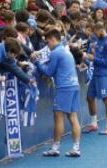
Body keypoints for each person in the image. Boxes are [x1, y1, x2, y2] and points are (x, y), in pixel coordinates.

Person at [33, 29, 81, 157]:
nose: (47, 45)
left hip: (64, 88)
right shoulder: (66, 51)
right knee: (73, 117)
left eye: (48, 42)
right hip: (74, 85)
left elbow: (48, 72)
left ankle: (55, 148)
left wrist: (37, 62)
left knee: (58, 117)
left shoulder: (55, 53)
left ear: (53, 40)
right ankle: (76, 148)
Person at [84, 22, 107, 135]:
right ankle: (94, 124)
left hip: (105, 75)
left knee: (106, 99)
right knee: (89, 97)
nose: (94, 34)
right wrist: (87, 57)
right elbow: (93, 55)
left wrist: (93, 58)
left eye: (95, 32)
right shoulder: (97, 41)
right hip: (95, 74)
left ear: (101, 29)